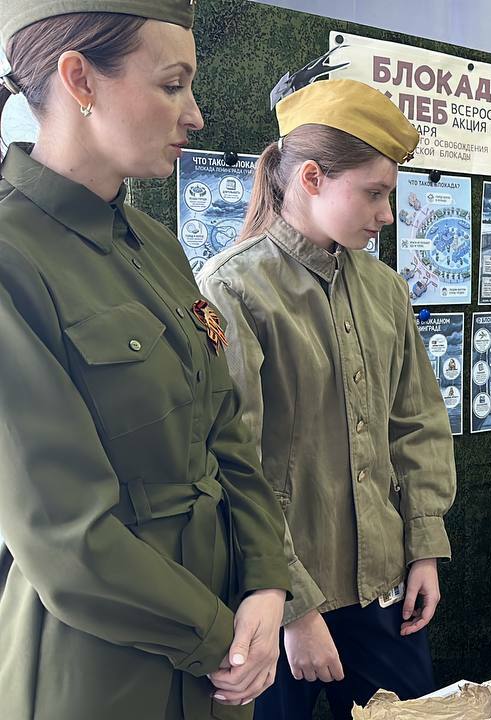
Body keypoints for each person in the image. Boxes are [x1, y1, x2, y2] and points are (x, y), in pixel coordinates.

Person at [0, 4, 291, 718]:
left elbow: (226, 434)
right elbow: (66, 537)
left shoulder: (157, 245)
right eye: (172, 85)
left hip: (222, 660)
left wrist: (267, 583)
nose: (195, 115)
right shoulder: (12, 257)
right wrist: (225, 636)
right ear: (79, 79)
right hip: (101, 671)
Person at [196, 78, 456, 719]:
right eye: (374, 193)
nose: (386, 215)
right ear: (311, 177)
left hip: (383, 594)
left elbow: (416, 423)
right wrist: (293, 607)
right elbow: (233, 463)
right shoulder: (234, 289)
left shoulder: (385, 290)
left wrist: (423, 543)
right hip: (277, 607)